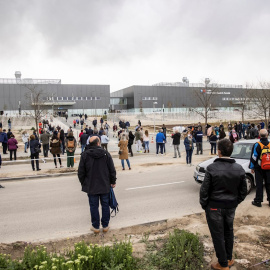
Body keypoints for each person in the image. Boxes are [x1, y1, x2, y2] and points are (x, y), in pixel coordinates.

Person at [200, 138, 247, 270]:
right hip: (230, 206)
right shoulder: (239, 168)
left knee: (218, 234)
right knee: (228, 232)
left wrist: (206, 205)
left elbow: (204, 191)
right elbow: (243, 192)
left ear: (219, 152)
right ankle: (228, 258)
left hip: (215, 207)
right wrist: (235, 202)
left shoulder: (212, 168)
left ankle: (223, 263)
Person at [78, 136, 116, 234]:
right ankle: (105, 225)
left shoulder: (85, 155)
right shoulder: (105, 154)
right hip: (104, 184)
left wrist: (84, 183)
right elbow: (112, 169)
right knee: (105, 205)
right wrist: (113, 181)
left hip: (91, 186)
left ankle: (95, 227)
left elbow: (81, 172)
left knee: (93, 206)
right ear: (98, 143)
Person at [249, 129, 270, 207]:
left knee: (259, 184)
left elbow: (254, 157)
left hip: (259, 168)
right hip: (269, 167)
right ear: (267, 135)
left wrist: (252, 167)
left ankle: (258, 201)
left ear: (259, 135)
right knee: (269, 184)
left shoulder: (257, 144)